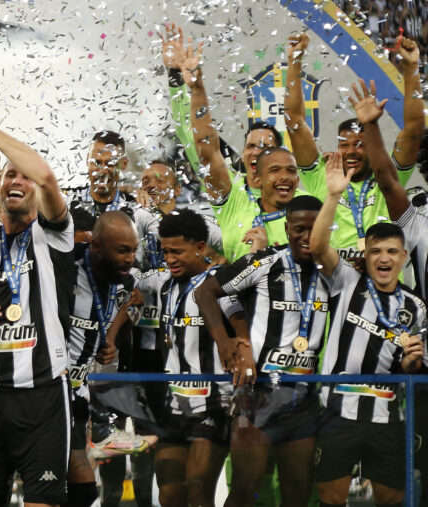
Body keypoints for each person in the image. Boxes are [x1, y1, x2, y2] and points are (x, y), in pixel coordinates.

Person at [0, 86, 74, 507]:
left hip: (41, 395)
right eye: (9, 174)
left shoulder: (54, 235)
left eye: (22, 175)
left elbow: (46, 177)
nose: (17, 180)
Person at [195, 195, 330, 507]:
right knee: (246, 488)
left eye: (314, 228)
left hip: (303, 398)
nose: (306, 236)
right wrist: (226, 342)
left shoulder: (335, 272)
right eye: (299, 228)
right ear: (287, 228)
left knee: (297, 494)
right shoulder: (264, 262)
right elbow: (205, 292)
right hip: (258, 395)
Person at [310, 151, 425, 506]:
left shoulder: (416, 307)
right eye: (376, 251)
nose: (383, 258)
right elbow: (318, 247)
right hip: (337, 412)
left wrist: (411, 363)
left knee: (392, 500)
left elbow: (410, 368)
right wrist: (333, 196)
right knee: (331, 500)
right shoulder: (347, 281)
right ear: (367, 255)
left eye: (391, 251)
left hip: (387, 416)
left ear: (403, 257)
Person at [133, 209, 247, 507]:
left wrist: (239, 343)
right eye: (165, 251)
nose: (169, 258)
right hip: (175, 406)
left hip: (215, 404)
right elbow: (129, 281)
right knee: (169, 495)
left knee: (198, 490)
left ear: (200, 247)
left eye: (177, 252)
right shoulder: (162, 283)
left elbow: (239, 320)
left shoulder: (220, 283)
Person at [284, 32, 424, 261]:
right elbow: (295, 123)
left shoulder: (389, 176)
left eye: (360, 145)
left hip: (383, 277)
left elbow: (415, 129)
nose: (350, 151)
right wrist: (294, 61)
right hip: (333, 279)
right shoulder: (322, 175)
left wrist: (411, 69)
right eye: (344, 144)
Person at [178, 34, 301, 261]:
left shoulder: (301, 200)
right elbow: (206, 149)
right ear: (243, 153)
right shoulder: (232, 193)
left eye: (265, 147)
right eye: (251, 146)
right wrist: (197, 89)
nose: (256, 152)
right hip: (242, 283)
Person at [66, 211, 144, 507]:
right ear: (95, 246)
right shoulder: (63, 268)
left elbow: (134, 306)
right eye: (123, 250)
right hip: (46, 390)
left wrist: (111, 338)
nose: (130, 259)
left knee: (82, 490)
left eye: (134, 250)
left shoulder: (125, 281)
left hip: (79, 392)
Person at [69, 130, 161, 269]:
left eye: (110, 163)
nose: (102, 170)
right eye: (97, 162)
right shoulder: (67, 203)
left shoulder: (139, 208)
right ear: (88, 160)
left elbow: (169, 246)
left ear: (123, 164)